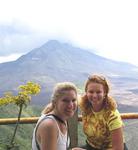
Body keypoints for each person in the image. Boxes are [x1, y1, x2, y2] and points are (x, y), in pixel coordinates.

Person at [79, 74, 128, 150]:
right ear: (86, 92)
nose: (94, 96)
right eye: (91, 92)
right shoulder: (85, 107)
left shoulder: (111, 114)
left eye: (98, 92)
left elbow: (118, 148)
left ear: (105, 93)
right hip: (91, 146)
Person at [32, 82, 79, 150]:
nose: (70, 105)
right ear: (55, 102)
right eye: (65, 100)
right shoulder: (49, 125)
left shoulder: (62, 118)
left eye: (73, 100)